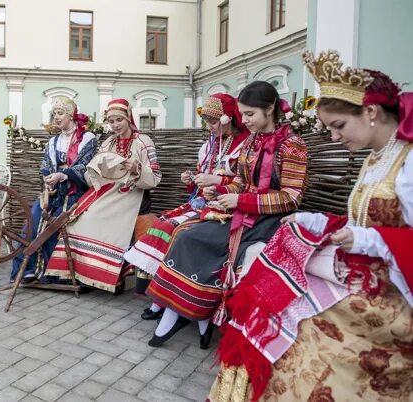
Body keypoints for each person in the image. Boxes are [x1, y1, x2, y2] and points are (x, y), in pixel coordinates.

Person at [208, 50, 413, 402]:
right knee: (270, 288)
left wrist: (364, 238)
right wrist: (317, 221)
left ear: (371, 112)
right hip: (370, 269)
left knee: (291, 315)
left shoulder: (407, 164)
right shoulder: (379, 158)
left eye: (339, 126)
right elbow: (365, 219)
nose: (334, 137)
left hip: (394, 291)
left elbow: (379, 230)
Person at [145, 81, 308, 349]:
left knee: (194, 238)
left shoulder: (292, 146)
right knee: (186, 235)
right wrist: (219, 190)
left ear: (270, 109)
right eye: (242, 114)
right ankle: (185, 313)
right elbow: (240, 182)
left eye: (250, 114)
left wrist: (239, 199)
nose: (244, 120)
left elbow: (291, 197)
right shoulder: (252, 142)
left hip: (268, 219)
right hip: (241, 210)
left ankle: (191, 315)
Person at [124, 93, 250, 321]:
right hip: (202, 203)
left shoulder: (244, 146)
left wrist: (217, 182)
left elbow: (244, 184)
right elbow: (202, 179)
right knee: (161, 225)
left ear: (228, 118)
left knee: (178, 232)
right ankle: (159, 298)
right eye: (207, 122)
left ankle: (173, 299)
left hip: (226, 208)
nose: (210, 127)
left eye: (214, 121)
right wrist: (191, 179)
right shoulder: (209, 146)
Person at [47, 98, 162, 293]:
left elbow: (156, 177)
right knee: (78, 220)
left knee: (96, 219)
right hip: (107, 192)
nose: (115, 125)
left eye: (119, 120)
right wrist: (97, 169)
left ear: (128, 118)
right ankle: (89, 275)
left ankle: (111, 277)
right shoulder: (108, 142)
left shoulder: (143, 141)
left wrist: (137, 168)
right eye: (112, 121)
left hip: (133, 195)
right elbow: (93, 174)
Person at [10, 96, 97, 283]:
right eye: (54, 114)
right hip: (53, 193)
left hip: (76, 193)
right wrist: (48, 180)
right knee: (32, 223)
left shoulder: (87, 139)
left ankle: (56, 272)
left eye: (60, 113)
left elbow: (86, 166)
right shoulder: (53, 142)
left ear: (72, 115)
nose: (56, 117)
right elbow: (46, 167)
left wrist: (64, 175)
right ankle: (28, 269)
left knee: (56, 225)